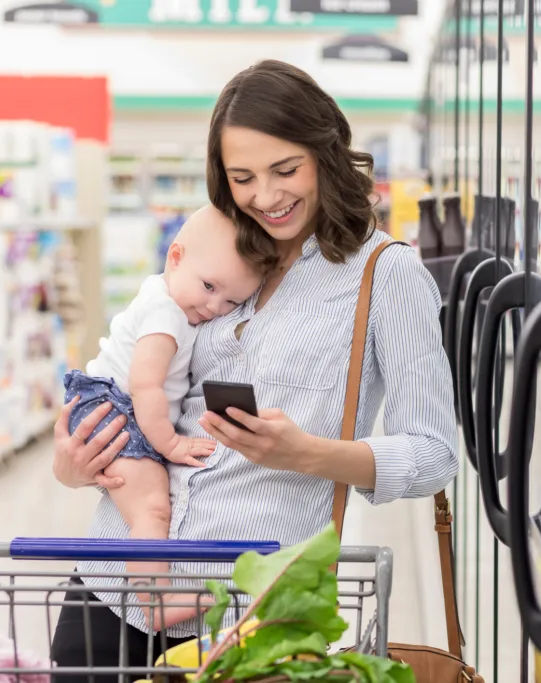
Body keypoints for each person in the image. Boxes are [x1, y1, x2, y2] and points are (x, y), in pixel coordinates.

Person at [49, 59, 459, 680]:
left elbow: (432, 454)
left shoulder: (387, 275)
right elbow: (140, 384)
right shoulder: (216, 250)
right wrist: (73, 465)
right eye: (242, 177)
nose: (265, 197)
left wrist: (307, 454)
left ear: (327, 153)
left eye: (286, 170)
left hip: (249, 617)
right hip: (111, 585)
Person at [62, 205, 261, 630]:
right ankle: (157, 600)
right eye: (209, 286)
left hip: (118, 408)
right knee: (152, 508)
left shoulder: (172, 300)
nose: (213, 305)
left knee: (149, 506)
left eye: (231, 301)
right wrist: (169, 445)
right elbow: (147, 386)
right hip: (116, 409)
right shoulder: (165, 314)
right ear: (175, 257)